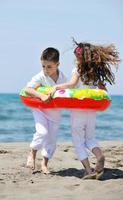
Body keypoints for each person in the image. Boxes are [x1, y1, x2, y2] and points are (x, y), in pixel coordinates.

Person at [50, 41, 120, 179]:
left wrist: (56, 88)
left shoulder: (78, 70)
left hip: (78, 110)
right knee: (90, 138)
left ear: (80, 59)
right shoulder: (95, 74)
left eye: (76, 58)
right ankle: (100, 155)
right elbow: (103, 91)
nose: (75, 61)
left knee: (78, 141)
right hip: (91, 111)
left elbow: (72, 84)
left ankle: (88, 170)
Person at [25, 47, 67, 173]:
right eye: (43, 66)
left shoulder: (63, 78)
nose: (45, 70)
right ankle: (32, 153)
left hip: (55, 111)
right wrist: (41, 95)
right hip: (40, 109)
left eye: (49, 67)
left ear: (57, 64)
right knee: (42, 132)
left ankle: (44, 163)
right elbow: (28, 89)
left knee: (51, 139)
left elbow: (70, 90)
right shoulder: (41, 76)